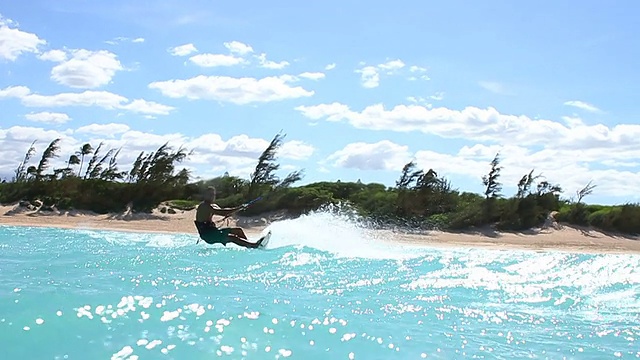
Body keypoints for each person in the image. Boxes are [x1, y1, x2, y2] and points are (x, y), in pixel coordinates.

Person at [194, 186, 265, 248]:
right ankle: (253, 246)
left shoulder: (213, 205)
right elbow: (223, 212)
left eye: (213, 195)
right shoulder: (204, 206)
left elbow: (223, 210)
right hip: (208, 235)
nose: (212, 196)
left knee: (238, 230)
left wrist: (238, 209)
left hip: (213, 231)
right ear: (205, 195)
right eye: (209, 194)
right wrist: (238, 208)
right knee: (232, 237)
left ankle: (249, 245)